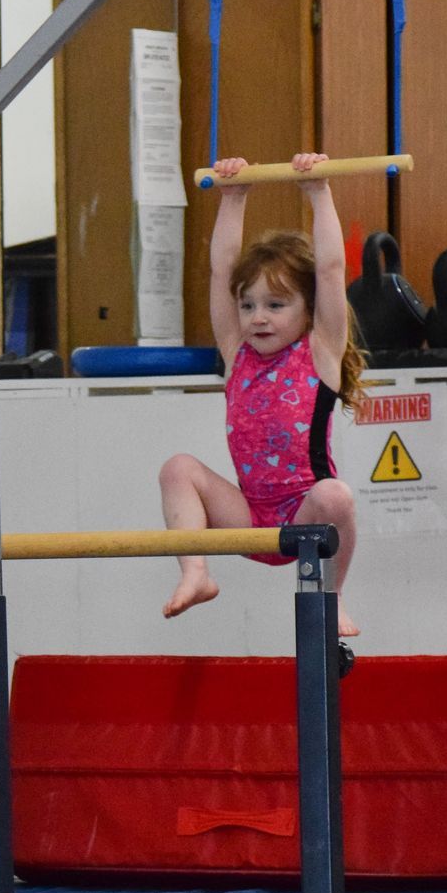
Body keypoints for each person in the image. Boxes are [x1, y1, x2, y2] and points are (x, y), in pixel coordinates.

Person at [159, 153, 365, 637]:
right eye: (248, 305)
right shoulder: (238, 357)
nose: (258, 317)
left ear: (309, 310)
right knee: (177, 468)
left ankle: (331, 599)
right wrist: (234, 198)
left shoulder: (319, 353)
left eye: (276, 305)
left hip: (305, 516)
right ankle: (196, 573)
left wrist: (319, 191)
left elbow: (332, 271)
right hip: (250, 519)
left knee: (335, 494)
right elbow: (221, 272)